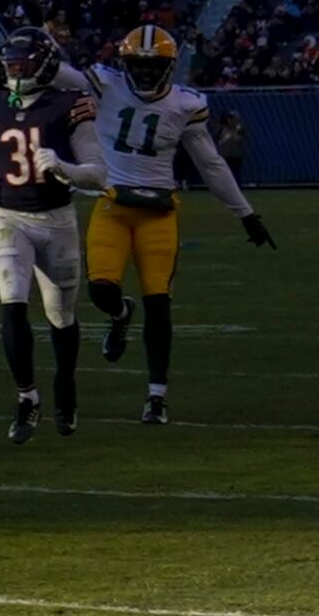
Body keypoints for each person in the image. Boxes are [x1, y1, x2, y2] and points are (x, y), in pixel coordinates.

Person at [52, 25, 275, 424]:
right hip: (113, 203)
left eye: (153, 65)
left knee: (158, 303)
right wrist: (34, 43)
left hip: (159, 211)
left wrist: (246, 213)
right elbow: (54, 71)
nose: (146, 72)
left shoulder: (185, 104)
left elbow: (210, 164)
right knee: (101, 291)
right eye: (139, 64)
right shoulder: (104, 84)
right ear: (125, 64)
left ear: (169, 67)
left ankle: (157, 396)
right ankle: (120, 314)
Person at [0, 29, 99, 443]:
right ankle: (27, 397)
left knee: (61, 316)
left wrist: (65, 168)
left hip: (57, 220)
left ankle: (65, 384)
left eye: (25, 65)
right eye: (12, 65)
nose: (17, 72)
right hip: (9, 217)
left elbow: (98, 172)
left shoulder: (69, 104)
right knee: (12, 302)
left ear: (46, 66)